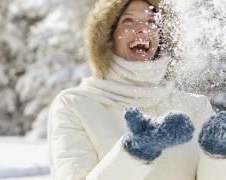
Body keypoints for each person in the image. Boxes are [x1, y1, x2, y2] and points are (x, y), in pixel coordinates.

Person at [47, 0, 226, 179]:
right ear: (107, 35)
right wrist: (133, 154)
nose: (143, 29)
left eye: (151, 21)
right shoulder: (75, 106)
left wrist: (217, 158)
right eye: (128, 20)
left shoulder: (196, 106)